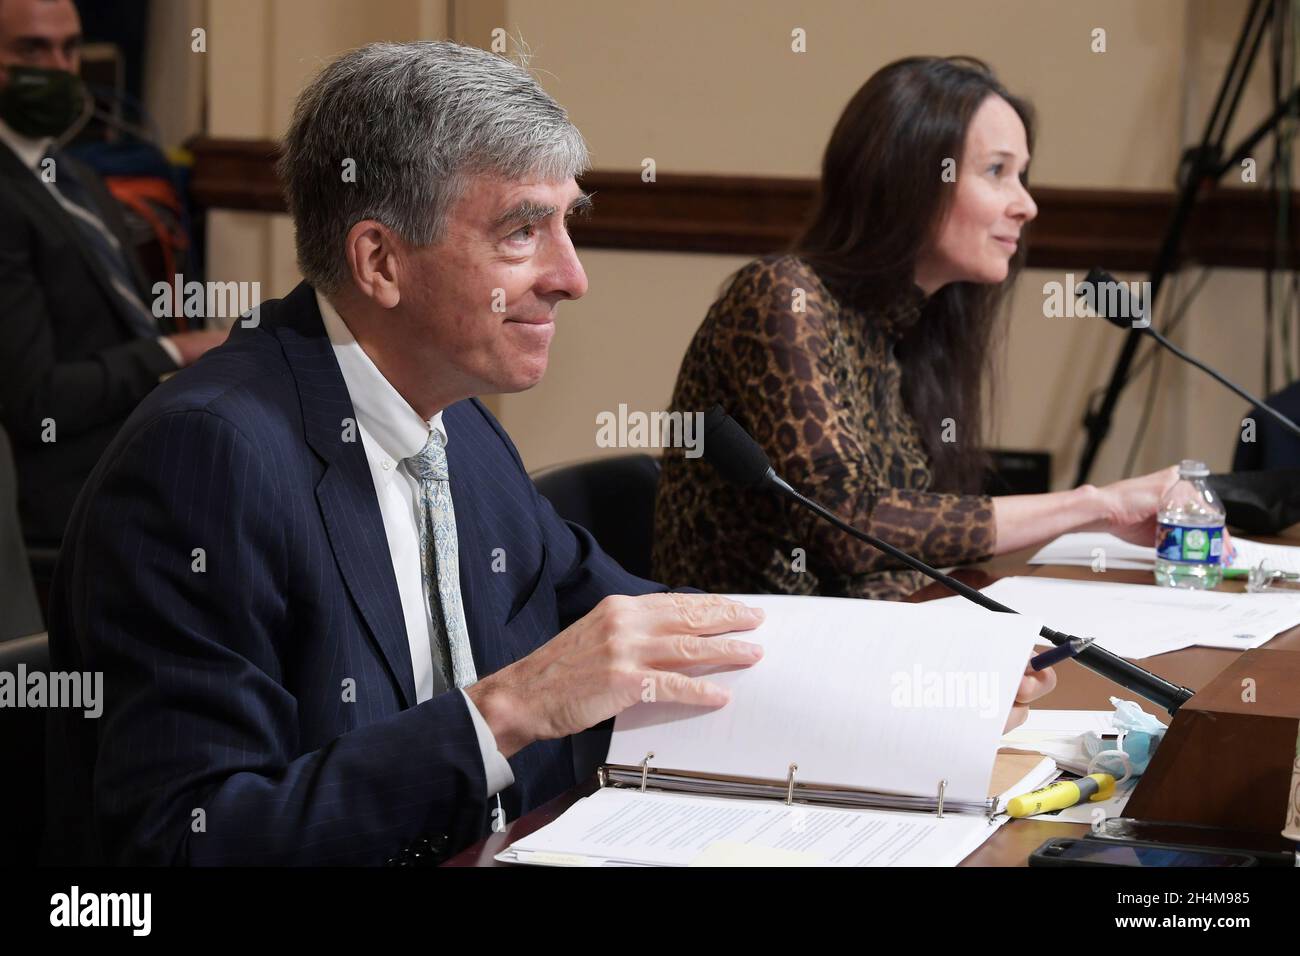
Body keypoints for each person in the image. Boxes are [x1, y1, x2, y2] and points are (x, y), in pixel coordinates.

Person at [653, 56, 1179, 601]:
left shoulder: (908, 327)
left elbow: (914, 542)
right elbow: (848, 528)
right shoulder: (784, 296)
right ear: (909, 178)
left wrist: (1096, 524)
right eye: (997, 171)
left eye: (1022, 175)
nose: (1027, 205)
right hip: (743, 659)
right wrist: (1095, 504)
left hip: (861, 644)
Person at [0, 0, 224, 547]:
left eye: (70, 47)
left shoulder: (76, 176)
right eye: (32, 49)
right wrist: (178, 352)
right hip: (61, 509)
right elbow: (36, 403)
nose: (58, 66)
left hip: (140, 464)